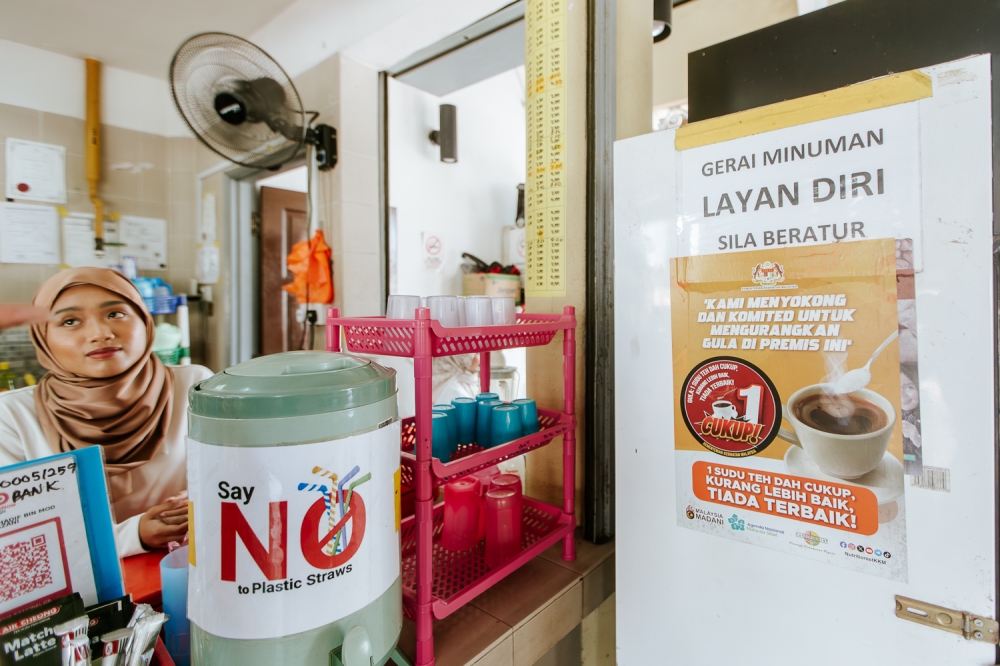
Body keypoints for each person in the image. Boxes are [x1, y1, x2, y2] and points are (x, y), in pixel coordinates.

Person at [0, 269, 212, 557]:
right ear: (43, 337)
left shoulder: (194, 386)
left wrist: (207, 498)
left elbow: (237, 478)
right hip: (76, 594)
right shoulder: (13, 415)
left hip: (186, 572)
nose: (101, 333)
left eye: (116, 314)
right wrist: (134, 535)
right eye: (70, 321)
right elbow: (19, 538)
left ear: (145, 321)